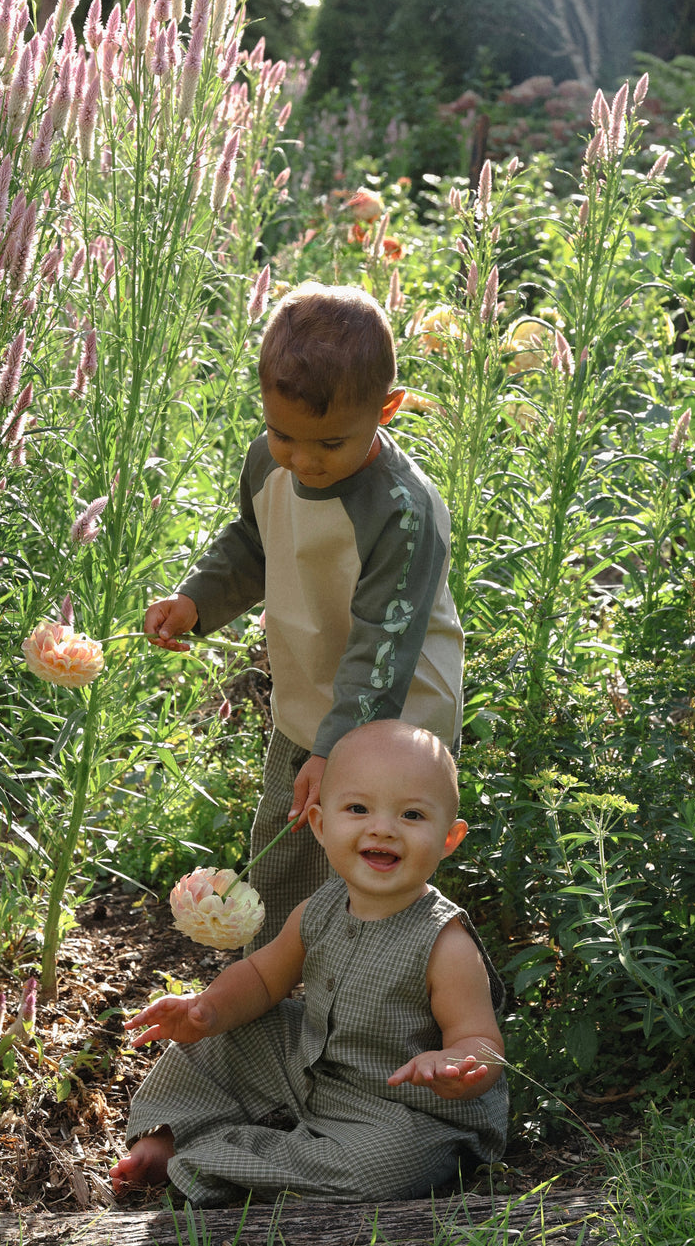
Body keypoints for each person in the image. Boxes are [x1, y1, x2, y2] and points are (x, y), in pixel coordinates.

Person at [144, 283, 464, 946]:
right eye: (284, 434)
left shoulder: (404, 512)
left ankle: (368, 996)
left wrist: (338, 749)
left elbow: (385, 646)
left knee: (373, 866)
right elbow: (253, 544)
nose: (304, 460)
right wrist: (196, 600)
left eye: (330, 443)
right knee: (284, 846)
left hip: (395, 718)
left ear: (389, 409)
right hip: (311, 694)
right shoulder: (270, 463)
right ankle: (265, 985)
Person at [110, 720, 506, 1205]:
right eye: (358, 808)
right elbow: (260, 977)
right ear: (320, 824)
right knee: (217, 1040)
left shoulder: (444, 942)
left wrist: (456, 1066)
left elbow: (480, 1039)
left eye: (412, 815)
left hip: (405, 1111)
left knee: (379, 1166)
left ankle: (231, 1155)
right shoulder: (320, 906)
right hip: (311, 1066)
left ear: (449, 838)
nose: (382, 827)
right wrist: (207, 1010)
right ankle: (171, 1134)